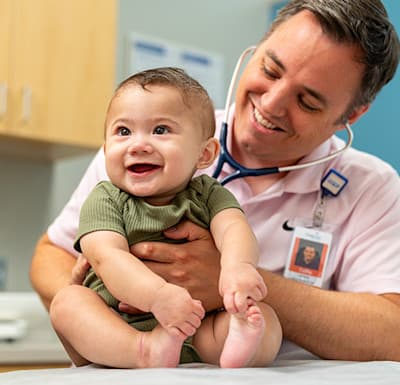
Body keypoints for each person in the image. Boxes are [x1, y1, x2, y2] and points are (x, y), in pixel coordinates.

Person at [31, 0, 400, 362]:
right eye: (270, 71)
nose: (271, 104)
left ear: (351, 114)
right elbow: (52, 255)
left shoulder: (371, 187)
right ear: (254, 53)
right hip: (133, 353)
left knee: (261, 324)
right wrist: (107, 310)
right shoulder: (143, 145)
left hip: (247, 363)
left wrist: (235, 282)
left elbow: (393, 333)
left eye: (307, 101)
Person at [49, 67, 282, 369]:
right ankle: (143, 350)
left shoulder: (207, 193)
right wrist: (158, 297)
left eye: (160, 130)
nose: (138, 144)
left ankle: (235, 340)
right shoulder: (105, 198)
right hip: (121, 322)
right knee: (68, 303)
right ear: (106, 149)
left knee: (267, 319)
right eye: (123, 131)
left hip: (197, 325)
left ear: (205, 154)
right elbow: (107, 256)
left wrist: (238, 268)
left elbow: (234, 228)